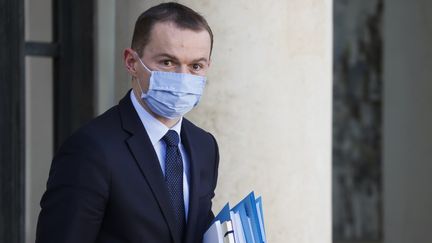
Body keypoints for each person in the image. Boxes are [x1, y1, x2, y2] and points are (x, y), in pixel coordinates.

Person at [35, 2, 219, 243]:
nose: (183, 78)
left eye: (196, 66)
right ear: (132, 62)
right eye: (167, 62)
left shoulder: (204, 146)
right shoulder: (90, 150)